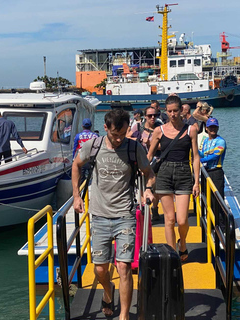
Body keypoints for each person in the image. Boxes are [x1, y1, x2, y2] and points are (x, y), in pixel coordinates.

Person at [72, 109, 155, 319]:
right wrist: (76, 195)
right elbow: (76, 165)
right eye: (114, 135)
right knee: (100, 270)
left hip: (125, 215)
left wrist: (148, 189)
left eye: (123, 134)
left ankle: (124, 315)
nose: (119, 139)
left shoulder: (133, 148)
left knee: (124, 267)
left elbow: (149, 173)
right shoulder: (94, 146)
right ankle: (108, 292)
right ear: (106, 128)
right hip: (99, 215)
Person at [147, 95, 200, 262]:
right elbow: (149, 156)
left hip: (184, 173)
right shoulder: (159, 131)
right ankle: (172, 256)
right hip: (164, 173)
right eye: (169, 111)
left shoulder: (191, 130)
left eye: (175, 111)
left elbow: (196, 157)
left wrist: (196, 181)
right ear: (166, 112)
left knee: (182, 220)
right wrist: (144, 177)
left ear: (181, 111)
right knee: (169, 219)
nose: (172, 114)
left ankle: (182, 241)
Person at [130, 106, 161, 221]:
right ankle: (144, 209)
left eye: (155, 115)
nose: (152, 118)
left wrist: (150, 144)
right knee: (142, 187)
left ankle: (155, 208)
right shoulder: (137, 127)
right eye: (149, 116)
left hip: (156, 160)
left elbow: (164, 145)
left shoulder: (160, 127)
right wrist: (138, 141)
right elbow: (127, 138)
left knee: (156, 187)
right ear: (145, 116)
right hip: (141, 160)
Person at [199, 117, 226, 226]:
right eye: (210, 127)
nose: (212, 129)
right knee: (207, 198)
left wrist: (200, 160)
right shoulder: (205, 141)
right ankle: (211, 223)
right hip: (206, 172)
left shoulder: (221, 141)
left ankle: (222, 226)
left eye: (214, 127)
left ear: (218, 128)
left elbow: (214, 156)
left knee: (218, 199)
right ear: (206, 128)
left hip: (216, 172)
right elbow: (202, 153)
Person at [73, 118, 99, 183]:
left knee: (81, 178)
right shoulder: (96, 135)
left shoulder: (78, 136)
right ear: (91, 126)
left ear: (82, 126)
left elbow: (75, 149)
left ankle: (82, 190)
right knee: (94, 177)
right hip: (92, 159)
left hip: (81, 159)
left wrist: (73, 159)